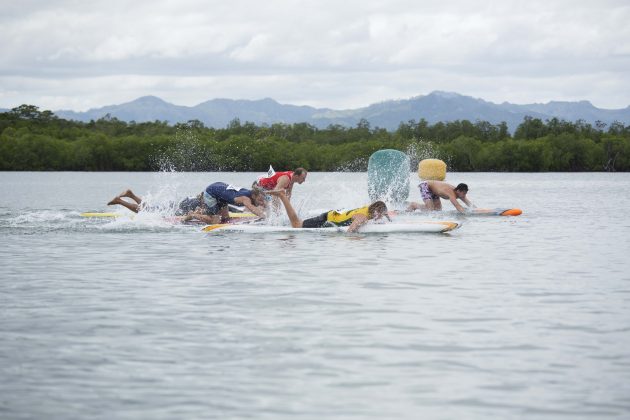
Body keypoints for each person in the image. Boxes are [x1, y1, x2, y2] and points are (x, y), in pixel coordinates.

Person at [107, 182, 266, 224]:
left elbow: (257, 205)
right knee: (216, 220)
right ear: (255, 194)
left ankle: (131, 194)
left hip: (216, 191)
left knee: (225, 217)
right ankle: (120, 201)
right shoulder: (246, 198)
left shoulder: (249, 192)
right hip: (210, 194)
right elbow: (253, 208)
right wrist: (265, 217)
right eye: (261, 199)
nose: (262, 202)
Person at [269, 190, 389, 233]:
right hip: (328, 218)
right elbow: (351, 230)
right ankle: (282, 196)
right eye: (381, 216)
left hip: (336, 213)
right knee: (296, 225)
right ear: (376, 212)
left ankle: (282, 195)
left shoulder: (370, 208)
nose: (380, 218)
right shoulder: (363, 217)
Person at [407, 181, 473, 213]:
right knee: (430, 209)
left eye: (465, 193)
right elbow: (457, 206)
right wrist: (466, 214)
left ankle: (413, 207)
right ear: (458, 191)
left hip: (434, 190)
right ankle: (414, 205)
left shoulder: (460, 194)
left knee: (437, 210)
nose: (464, 195)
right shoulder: (451, 193)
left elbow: (470, 204)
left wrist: (478, 211)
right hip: (425, 186)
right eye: (464, 193)